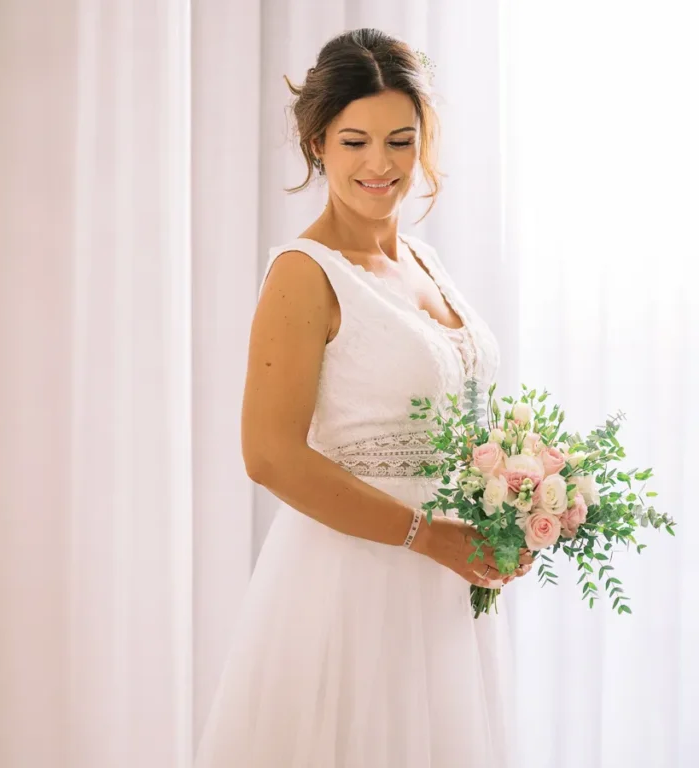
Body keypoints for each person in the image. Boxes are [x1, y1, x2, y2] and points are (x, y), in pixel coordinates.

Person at [194, 28, 533, 767]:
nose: (379, 164)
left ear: (425, 142)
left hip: (446, 590)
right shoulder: (303, 272)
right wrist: (429, 536)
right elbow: (269, 456)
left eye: (400, 140)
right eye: (354, 141)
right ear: (317, 143)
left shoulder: (425, 261)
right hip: (353, 582)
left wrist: (521, 498)